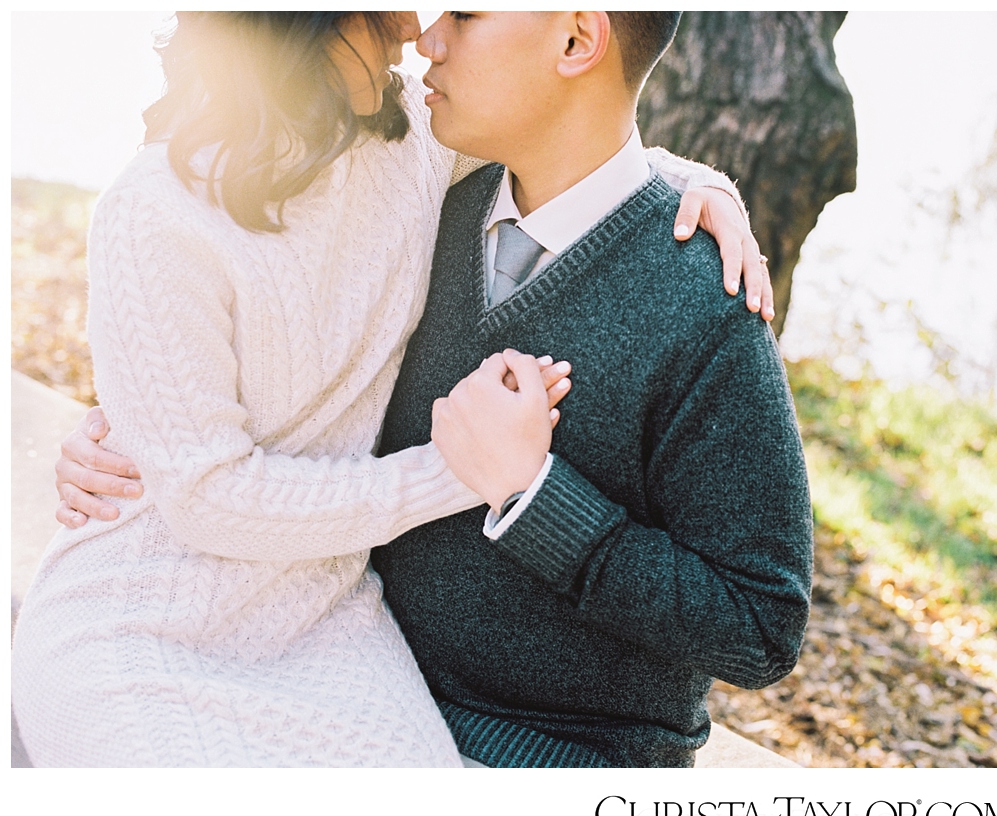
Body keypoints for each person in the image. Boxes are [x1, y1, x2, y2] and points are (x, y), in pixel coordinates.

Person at [16, 11, 763, 767]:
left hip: (328, 624)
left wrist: (699, 186)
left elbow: (575, 138)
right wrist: (463, 469)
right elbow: (207, 493)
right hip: (138, 620)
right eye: (380, 14)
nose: (415, 29)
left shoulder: (411, 137)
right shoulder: (154, 209)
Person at [371, 11, 814, 767]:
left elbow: (760, 625)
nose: (427, 38)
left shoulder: (703, 306)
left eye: (467, 15)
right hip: (357, 692)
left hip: (551, 762)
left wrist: (532, 494)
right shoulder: (422, 214)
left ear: (576, 39)